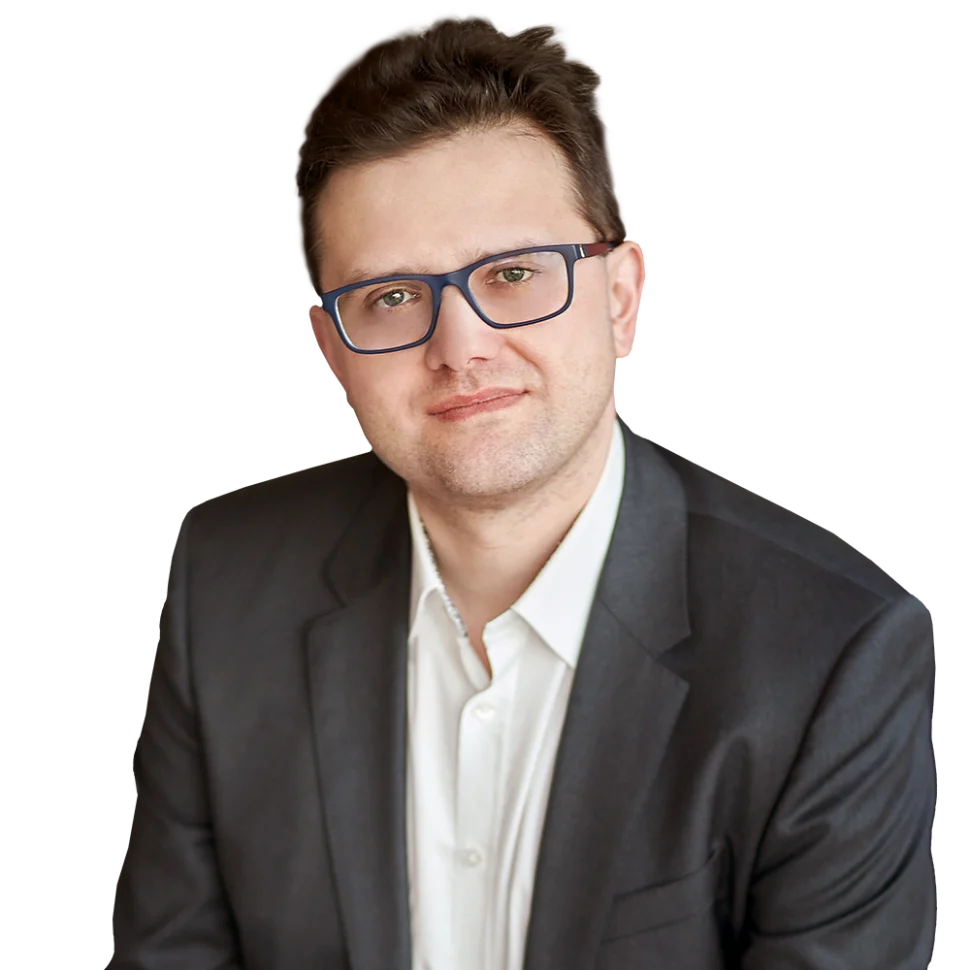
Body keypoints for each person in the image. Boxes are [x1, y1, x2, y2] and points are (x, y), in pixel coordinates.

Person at [111, 11, 936, 969]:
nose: (459, 347)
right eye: (391, 297)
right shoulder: (223, 578)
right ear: (330, 346)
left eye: (512, 274)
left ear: (621, 297)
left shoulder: (834, 648)